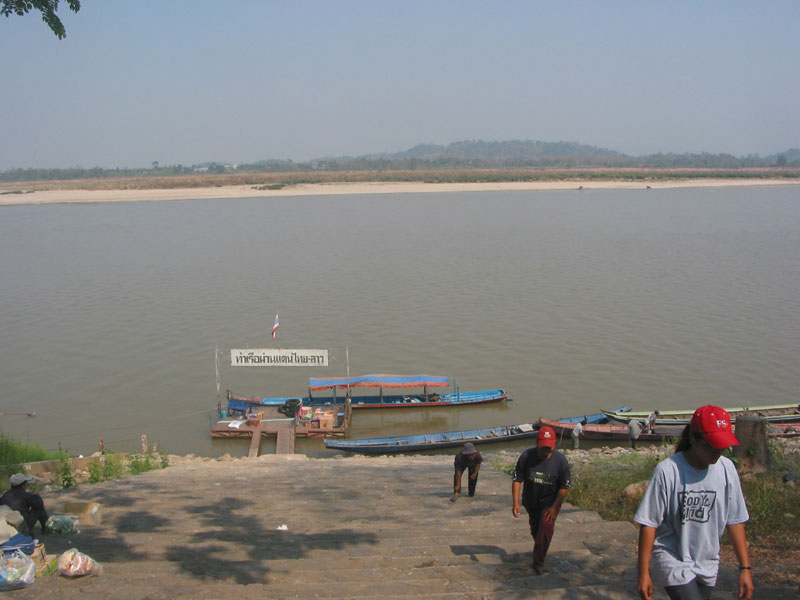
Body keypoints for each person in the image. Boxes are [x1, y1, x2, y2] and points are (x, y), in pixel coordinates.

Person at [634, 405, 753, 600]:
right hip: (672, 557)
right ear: (692, 439)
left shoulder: (727, 470)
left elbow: (735, 519)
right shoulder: (668, 471)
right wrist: (643, 573)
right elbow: (648, 523)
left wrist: (745, 568)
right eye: (710, 446)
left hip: (707, 561)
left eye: (721, 446)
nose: (716, 452)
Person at [511, 426, 571, 575]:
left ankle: (539, 562)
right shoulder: (526, 457)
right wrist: (516, 502)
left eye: (549, 448)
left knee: (546, 527)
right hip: (531, 501)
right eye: (543, 448)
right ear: (537, 443)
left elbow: (564, 487)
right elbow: (517, 479)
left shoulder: (561, 461)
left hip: (550, 502)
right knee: (536, 530)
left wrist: (554, 507)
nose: (546, 451)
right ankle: (540, 547)